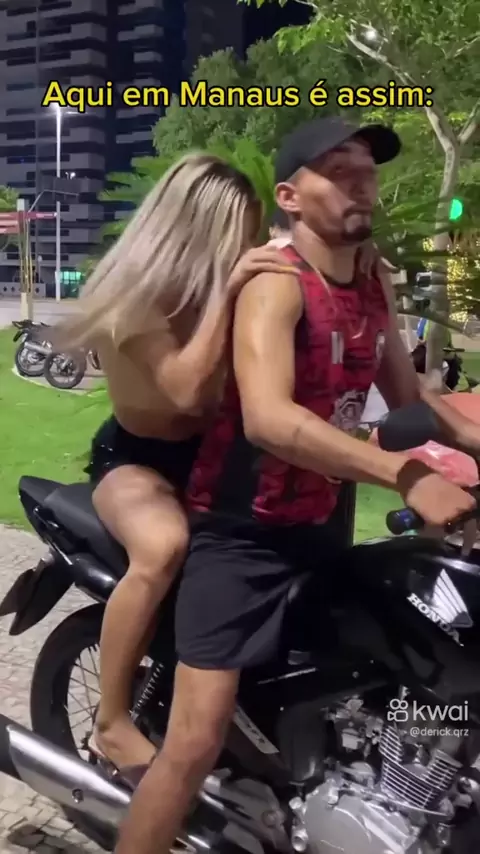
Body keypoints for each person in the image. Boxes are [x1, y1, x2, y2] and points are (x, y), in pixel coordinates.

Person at [114, 118, 480, 854]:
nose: (360, 184)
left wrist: (470, 445)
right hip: (242, 538)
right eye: (337, 171)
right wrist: (406, 475)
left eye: (367, 171)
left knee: (392, 671)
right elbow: (270, 420)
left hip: (322, 521)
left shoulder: (371, 280)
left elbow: (408, 399)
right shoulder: (277, 284)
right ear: (289, 196)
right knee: (192, 743)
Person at [59, 152, 298, 777]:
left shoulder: (212, 291)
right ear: (201, 228)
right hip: (135, 461)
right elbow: (188, 392)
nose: (247, 246)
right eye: (240, 233)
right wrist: (231, 291)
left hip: (213, 459)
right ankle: (111, 721)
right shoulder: (135, 298)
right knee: (163, 548)